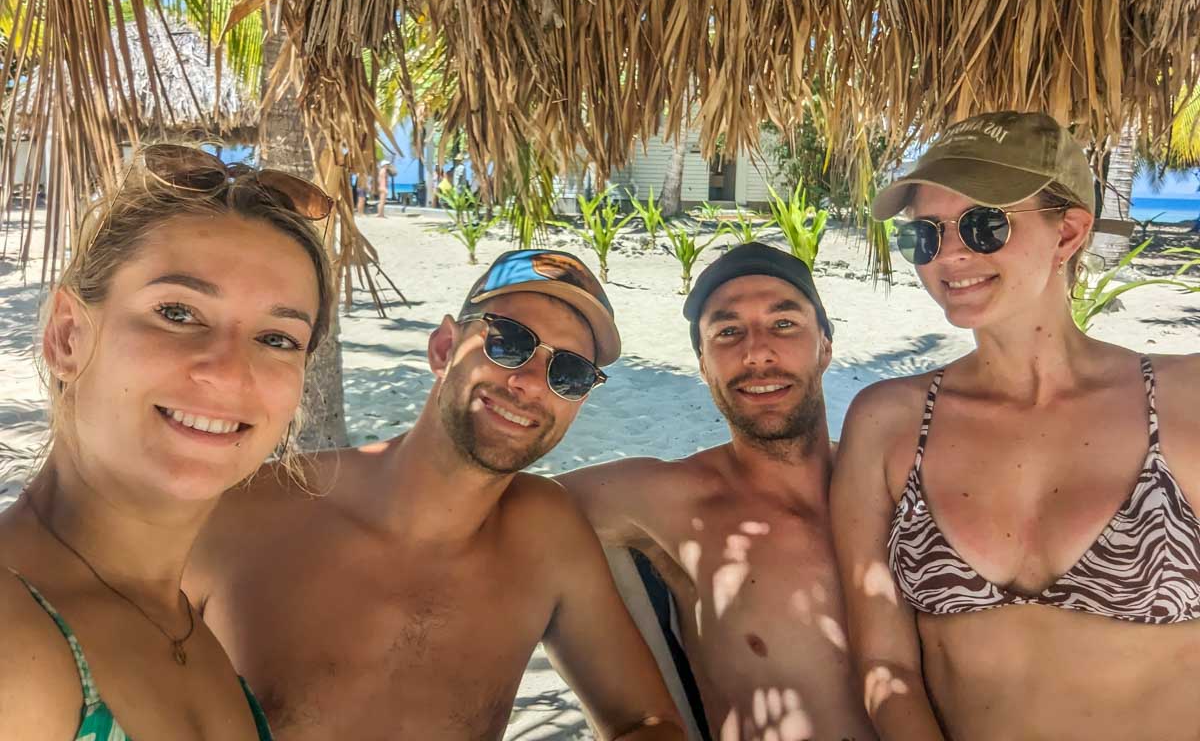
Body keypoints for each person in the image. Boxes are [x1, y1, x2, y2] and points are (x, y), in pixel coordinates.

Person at [184, 249, 685, 740]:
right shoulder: (242, 515)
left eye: (569, 372)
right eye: (508, 343)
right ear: (444, 348)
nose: (530, 383)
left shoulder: (546, 534)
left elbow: (648, 723)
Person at [832, 111, 1200, 740]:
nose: (948, 254)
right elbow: (886, 664)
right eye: (925, 234)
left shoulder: (1184, 399)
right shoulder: (888, 423)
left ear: (1069, 234)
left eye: (984, 223)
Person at [0, 144, 336, 740]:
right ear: (68, 336)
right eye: (177, 312)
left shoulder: (176, 615)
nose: (229, 372)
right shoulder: (15, 644)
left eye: (278, 338)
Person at [561, 243, 878, 741]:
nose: (757, 352)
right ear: (704, 365)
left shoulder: (893, 482)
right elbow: (488, 504)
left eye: (784, 324)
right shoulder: (671, 498)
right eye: (728, 332)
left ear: (826, 346)